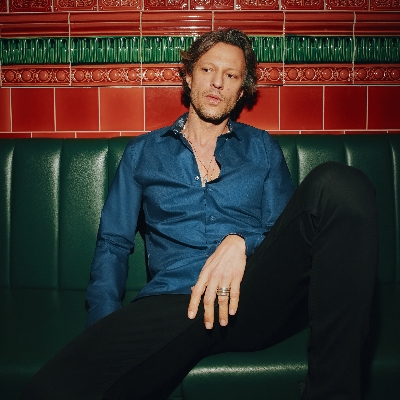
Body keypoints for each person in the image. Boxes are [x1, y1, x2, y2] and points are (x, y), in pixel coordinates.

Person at [21, 28, 378, 400]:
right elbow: (113, 244)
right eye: (208, 70)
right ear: (189, 76)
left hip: (255, 298)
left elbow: (284, 233)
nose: (217, 82)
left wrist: (240, 241)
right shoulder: (143, 153)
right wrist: (104, 325)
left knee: (340, 184)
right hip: (178, 300)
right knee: (51, 389)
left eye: (231, 75)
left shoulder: (262, 148)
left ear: (241, 91)